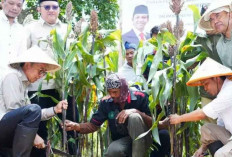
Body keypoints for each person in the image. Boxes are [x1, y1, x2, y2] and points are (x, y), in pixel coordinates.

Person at [25, 0, 79, 156]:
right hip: (38, 89)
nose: (51, 10)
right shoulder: (30, 29)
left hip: (63, 87)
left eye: (54, 7)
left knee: (71, 128)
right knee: (39, 130)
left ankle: (73, 154)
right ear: (39, 9)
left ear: (59, 10)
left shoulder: (66, 29)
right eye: (46, 7)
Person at [0, 45, 68, 157]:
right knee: (34, 109)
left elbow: (30, 116)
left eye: (44, 73)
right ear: (27, 64)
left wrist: (55, 110)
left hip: (6, 134)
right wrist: (34, 137)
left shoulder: (24, 84)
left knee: (33, 110)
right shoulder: (12, 77)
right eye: (40, 71)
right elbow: (15, 114)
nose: (41, 76)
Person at [65, 73, 152, 157]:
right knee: (112, 151)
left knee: (134, 117)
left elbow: (153, 123)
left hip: (143, 138)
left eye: (115, 92)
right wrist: (76, 126)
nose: (112, 95)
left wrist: (136, 111)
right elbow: (93, 125)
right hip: (124, 140)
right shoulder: (106, 102)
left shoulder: (140, 97)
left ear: (123, 90)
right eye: (110, 92)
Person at [169, 57, 232, 157]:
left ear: (216, 78)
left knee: (221, 154)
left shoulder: (229, 90)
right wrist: (202, 149)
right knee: (207, 129)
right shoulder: (222, 93)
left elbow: (202, 114)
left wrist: (179, 118)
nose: (205, 88)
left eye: (206, 84)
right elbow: (220, 126)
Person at [0, 0, 27, 70]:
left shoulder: (21, 30)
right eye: (11, 3)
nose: (15, 8)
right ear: (2, 2)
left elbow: (22, 57)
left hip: (13, 76)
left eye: (19, 5)